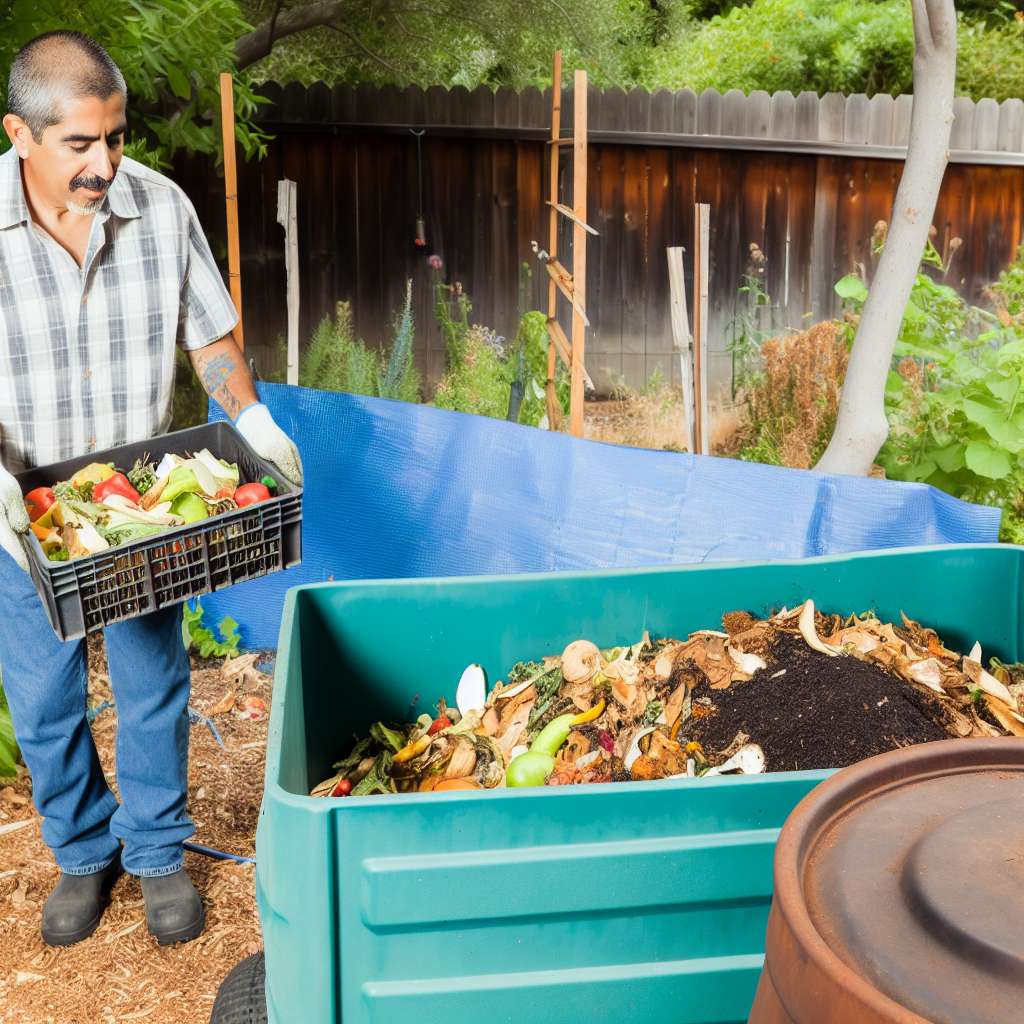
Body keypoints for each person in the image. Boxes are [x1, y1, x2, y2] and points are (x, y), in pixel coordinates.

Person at [0, 31, 302, 947]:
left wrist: (250, 418)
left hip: (137, 510)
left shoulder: (162, 209)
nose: (104, 164)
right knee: (43, 699)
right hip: (21, 514)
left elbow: (208, 341)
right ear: (20, 133)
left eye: (116, 138)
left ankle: (160, 852)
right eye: (78, 145)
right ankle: (84, 856)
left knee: (152, 682)